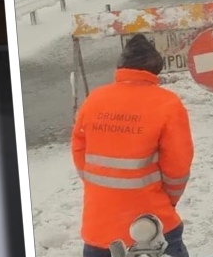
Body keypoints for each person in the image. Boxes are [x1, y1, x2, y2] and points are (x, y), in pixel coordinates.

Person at [71, 35, 194, 257]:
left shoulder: (94, 100)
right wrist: (167, 201)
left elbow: (79, 151)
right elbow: (178, 167)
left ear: (122, 67)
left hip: (99, 228)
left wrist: (104, 188)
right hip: (152, 229)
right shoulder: (167, 104)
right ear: (155, 68)